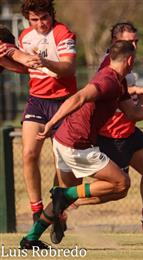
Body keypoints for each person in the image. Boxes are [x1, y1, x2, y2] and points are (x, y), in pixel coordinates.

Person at [19, 40, 143, 249]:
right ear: (130, 60)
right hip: (76, 144)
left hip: (65, 141)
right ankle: (66, 195)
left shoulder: (119, 82)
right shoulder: (108, 80)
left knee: (108, 192)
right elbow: (79, 97)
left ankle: (30, 238)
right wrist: (51, 123)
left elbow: (133, 113)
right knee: (121, 183)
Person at [73, 22, 143, 234]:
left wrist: (140, 98)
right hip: (112, 133)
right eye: (128, 41)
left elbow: (124, 98)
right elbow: (105, 87)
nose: (134, 44)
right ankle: (69, 200)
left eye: (135, 41)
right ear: (115, 42)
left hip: (128, 128)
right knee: (118, 190)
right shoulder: (108, 62)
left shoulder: (127, 60)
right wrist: (136, 88)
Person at [18, 0, 78, 223]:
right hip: (37, 101)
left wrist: (44, 61)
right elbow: (26, 67)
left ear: (51, 15)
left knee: (61, 162)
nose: (40, 23)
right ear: (28, 19)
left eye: (44, 18)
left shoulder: (63, 33)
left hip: (63, 103)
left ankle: (56, 210)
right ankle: (37, 211)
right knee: (28, 154)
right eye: (34, 19)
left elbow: (68, 68)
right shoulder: (25, 36)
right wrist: (7, 57)